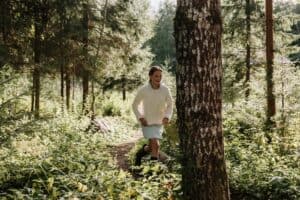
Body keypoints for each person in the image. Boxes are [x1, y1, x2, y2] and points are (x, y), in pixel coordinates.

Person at [132, 66, 173, 165]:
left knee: (152, 147)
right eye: (156, 76)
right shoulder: (144, 90)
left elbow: (170, 104)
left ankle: (140, 154)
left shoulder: (165, 90)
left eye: (160, 76)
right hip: (147, 122)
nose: (158, 78)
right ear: (150, 76)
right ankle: (154, 171)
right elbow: (135, 104)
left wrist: (167, 116)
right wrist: (140, 117)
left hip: (159, 122)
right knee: (156, 144)